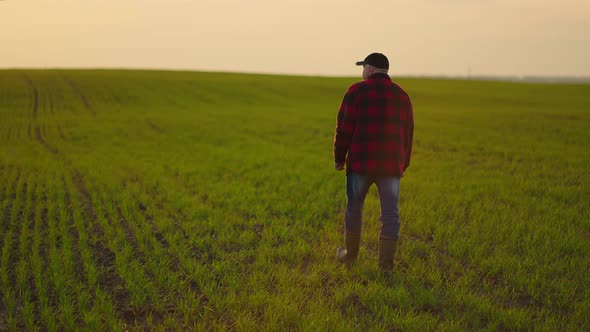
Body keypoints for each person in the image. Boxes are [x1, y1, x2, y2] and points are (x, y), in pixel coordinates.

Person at [333, 52, 414, 273]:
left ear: (369, 69)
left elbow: (344, 129)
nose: (362, 72)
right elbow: (407, 135)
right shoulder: (402, 96)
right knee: (390, 214)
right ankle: (385, 267)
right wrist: (402, 164)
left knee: (354, 208)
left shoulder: (356, 92)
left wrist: (339, 158)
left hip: (360, 163)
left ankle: (350, 257)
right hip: (390, 166)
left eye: (363, 67)